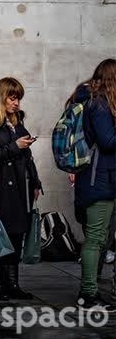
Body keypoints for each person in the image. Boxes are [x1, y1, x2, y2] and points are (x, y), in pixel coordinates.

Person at [0, 77, 42, 302]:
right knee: (1, 236)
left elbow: (28, 157)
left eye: (18, 98)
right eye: (12, 97)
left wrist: (35, 182)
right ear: (1, 97)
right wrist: (15, 146)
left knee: (17, 235)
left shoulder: (17, 121)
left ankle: (12, 283)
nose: (16, 103)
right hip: (1, 188)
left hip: (20, 186)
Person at [68, 59, 116, 311]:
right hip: (99, 180)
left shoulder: (97, 102)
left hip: (103, 178)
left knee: (100, 238)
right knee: (96, 239)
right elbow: (108, 141)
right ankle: (87, 294)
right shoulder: (98, 104)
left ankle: (91, 293)